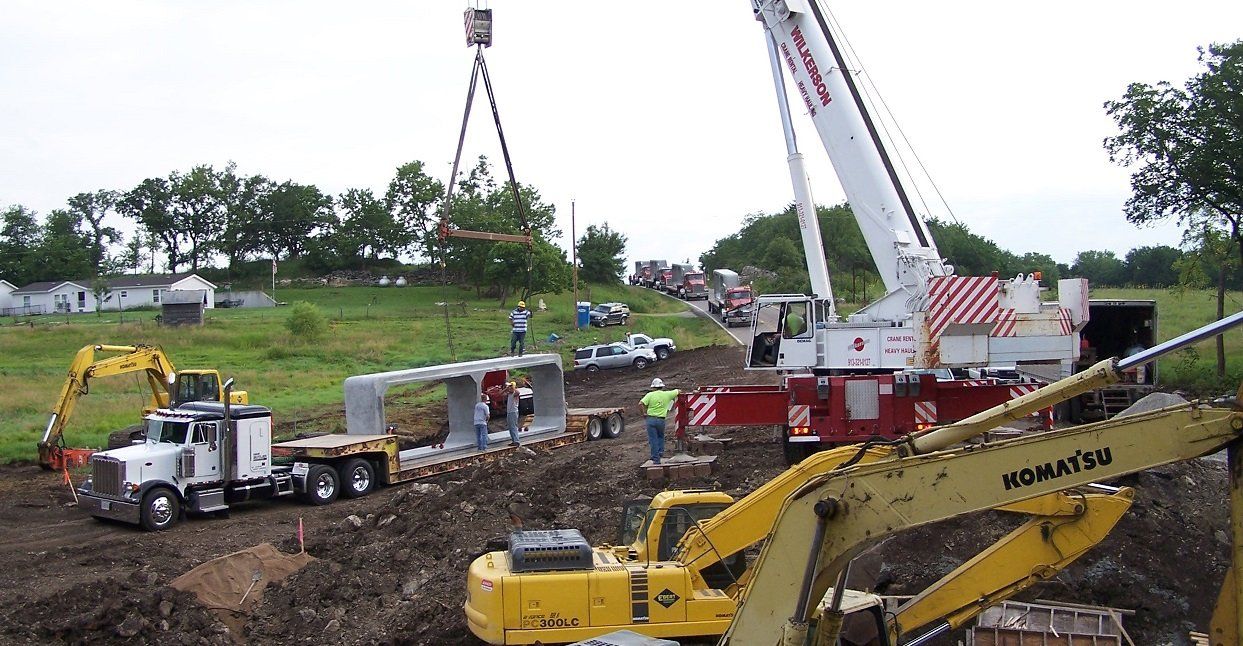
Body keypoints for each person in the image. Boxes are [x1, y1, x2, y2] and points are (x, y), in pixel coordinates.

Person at [639, 377, 680, 465]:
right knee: (660, 436)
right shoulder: (667, 394)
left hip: (651, 419)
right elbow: (678, 391)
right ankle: (660, 452)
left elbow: (640, 403)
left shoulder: (650, 395)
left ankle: (656, 459)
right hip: (661, 420)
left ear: (653, 387)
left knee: (653, 439)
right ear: (662, 386)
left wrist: (644, 413)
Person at [504, 381, 521, 446]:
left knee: (513, 426)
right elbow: (500, 394)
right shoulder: (509, 394)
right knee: (511, 427)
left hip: (513, 412)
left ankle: (516, 441)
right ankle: (514, 440)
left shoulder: (514, 393)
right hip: (509, 412)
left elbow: (518, 392)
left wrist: (513, 387)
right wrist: (506, 388)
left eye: (511, 387)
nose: (509, 388)